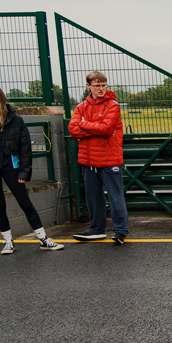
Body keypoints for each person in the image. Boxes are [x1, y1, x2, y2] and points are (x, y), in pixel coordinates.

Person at [0, 86, 64, 253]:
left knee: (25, 203)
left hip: (10, 167)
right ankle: (8, 241)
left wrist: (24, 172)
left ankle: (43, 239)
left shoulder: (15, 120)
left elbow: (25, 148)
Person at [68, 71, 129, 244]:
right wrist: (94, 129)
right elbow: (73, 130)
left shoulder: (113, 105)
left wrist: (85, 125)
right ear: (89, 86)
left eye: (103, 85)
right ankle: (96, 229)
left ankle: (120, 231)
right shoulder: (81, 107)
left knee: (116, 197)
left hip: (109, 159)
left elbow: (107, 129)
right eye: (97, 86)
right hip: (88, 160)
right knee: (93, 197)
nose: (101, 89)